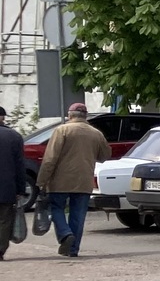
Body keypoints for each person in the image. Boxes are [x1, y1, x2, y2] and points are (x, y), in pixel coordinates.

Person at [38, 105, 110, 258]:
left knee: (56, 208)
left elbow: (50, 159)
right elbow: (104, 156)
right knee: (78, 214)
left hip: (59, 181)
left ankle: (65, 234)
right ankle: (72, 250)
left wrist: (42, 181)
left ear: (70, 115)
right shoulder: (96, 133)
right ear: (85, 116)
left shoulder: (62, 130)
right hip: (84, 181)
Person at [0, 114, 27, 260]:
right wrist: (21, 189)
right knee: (5, 220)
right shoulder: (14, 136)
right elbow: (20, 165)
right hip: (6, 186)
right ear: (3, 117)